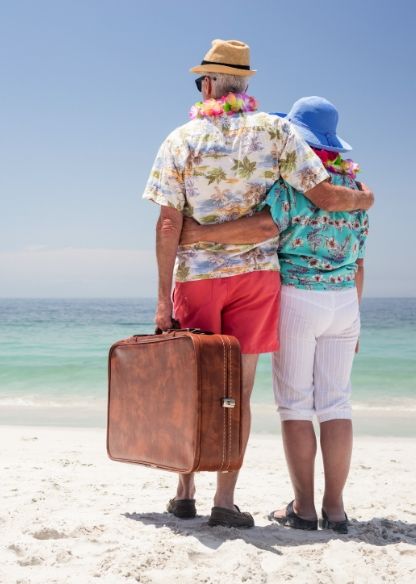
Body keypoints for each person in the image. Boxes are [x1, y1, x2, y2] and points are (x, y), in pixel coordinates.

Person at [143, 38, 373, 529]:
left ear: (207, 83)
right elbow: (323, 196)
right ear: (245, 84)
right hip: (257, 280)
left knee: (194, 385)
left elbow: (166, 225)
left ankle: (184, 490)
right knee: (237, 393)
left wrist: (163, 300)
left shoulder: (179, 139)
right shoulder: (275, 132)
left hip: (199, 278)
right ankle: (225, 502)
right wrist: (365, 200)